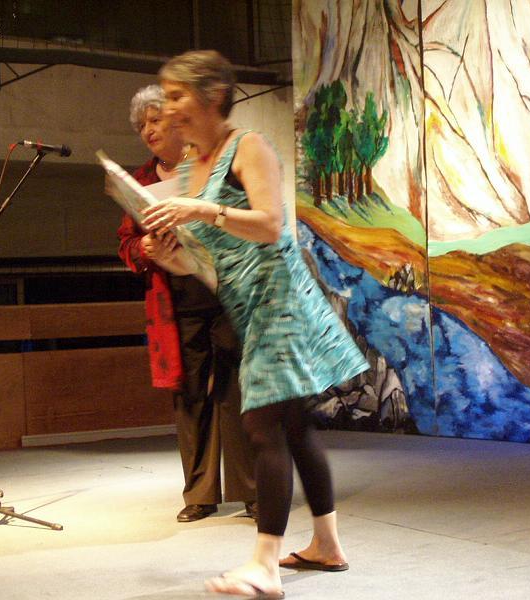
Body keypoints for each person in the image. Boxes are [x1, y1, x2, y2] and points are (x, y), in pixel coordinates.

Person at [141, 51, 370, 598]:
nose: (167, 108)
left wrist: (201, 211)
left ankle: (265, 565)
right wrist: (170, 257)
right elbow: (211, 261)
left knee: (263, 426)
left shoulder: (249, 147)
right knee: (293, 425)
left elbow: (270, 226)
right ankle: (327, 545)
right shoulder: (192, 168)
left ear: (213, 96)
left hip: (279, 301)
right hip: (247, 305)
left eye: (177, 96)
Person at [117, 84, 257, 524]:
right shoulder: (141, 181)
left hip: (225, 290)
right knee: (190, 395)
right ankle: (199, 493)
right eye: (141, 126)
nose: (148, 130)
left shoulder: (211, 164)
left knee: (237, 390)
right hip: (177, 301)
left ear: (179, 121)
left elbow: (245, 219)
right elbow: (125, 242)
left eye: (155, 120)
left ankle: (252, 491)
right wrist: (144, 248)